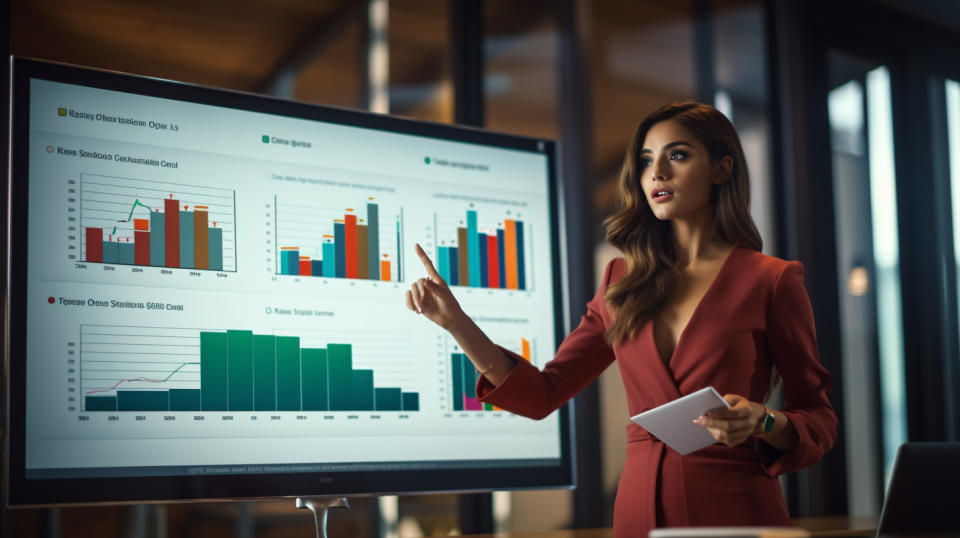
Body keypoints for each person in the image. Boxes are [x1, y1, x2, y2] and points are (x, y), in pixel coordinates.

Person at [405, 101, 838, 537]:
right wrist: (457, 323)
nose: (657, 173)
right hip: (638, 514)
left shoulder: (773, 280)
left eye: (678, 155)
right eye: (647, 160)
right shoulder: (621, 279)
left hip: (736, 510)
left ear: (722, 169)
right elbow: (542, 394)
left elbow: (818, 417)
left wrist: (763, 420)